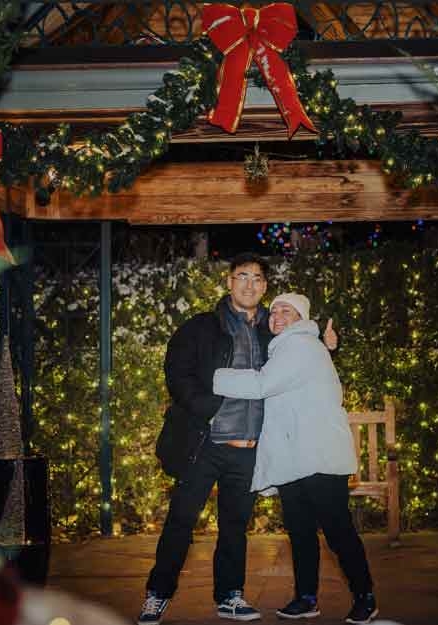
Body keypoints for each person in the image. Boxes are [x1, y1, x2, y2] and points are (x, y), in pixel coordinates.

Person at [139, 255, 336, 625]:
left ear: (265, 286)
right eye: (242, 276)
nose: (249, 284)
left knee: (234, 526)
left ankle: (230, 595)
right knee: (181, 521)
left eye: (257, 278)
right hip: (205, 443)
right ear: (229, 282)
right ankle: (157, 595)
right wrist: (208, 409)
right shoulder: (202, 326)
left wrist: (330, 346)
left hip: (248, 449)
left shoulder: (274, 331)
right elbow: (177, 372)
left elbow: (305, 349)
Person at [213, 293, 378, 625]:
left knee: (337, 531)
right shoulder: (285, 347)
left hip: (318, 456)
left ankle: (365, 597)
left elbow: (262, 385)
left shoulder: (301, 346)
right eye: (273, 311)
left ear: (302, 319)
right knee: (301, 532)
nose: (277, 315)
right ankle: (306, 598)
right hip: (294, 459)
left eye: (286, 310)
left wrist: (213, 377)